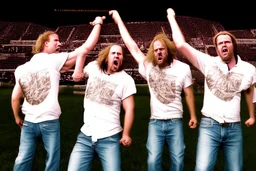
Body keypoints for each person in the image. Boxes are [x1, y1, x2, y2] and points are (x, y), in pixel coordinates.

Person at [11, 16, 106, 171]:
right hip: (49, 123)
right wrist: (98, 23)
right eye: (56, 40)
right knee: (52, 162)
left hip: (28, 123)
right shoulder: (53, 60)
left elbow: (15, 97)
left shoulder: (20, 69)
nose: (60, 43)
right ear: (45, 43)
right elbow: (87, 47)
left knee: (22, 160)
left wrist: (16, 117)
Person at [167, 8, 256, 171]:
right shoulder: (208, 63)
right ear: (216, 48)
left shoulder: (249, 69)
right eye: (220, 43)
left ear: (233, 45)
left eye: (226, 42)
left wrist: (252, 115)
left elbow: (251, 90)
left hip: (234, 127)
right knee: (202, 168)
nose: (223, 45)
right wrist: (171, 17)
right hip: (210, 125)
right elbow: (180, 44)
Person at [110, 10, 198, 171]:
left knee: (178, 162)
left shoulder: (183, 68)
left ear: (168, 50)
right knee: (152, 162)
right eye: (155, 49)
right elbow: (132, 46)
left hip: (175, 121)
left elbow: (188, 93)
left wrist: (192, 115)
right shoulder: (149, 67)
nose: (158, 51)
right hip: (155, 122)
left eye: (161, 49)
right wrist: (118, 20)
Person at [67, 43, 137, 171]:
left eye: (119, 54)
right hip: (85, 136)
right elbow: (78, 76)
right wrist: (78, 70)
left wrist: (126, 134)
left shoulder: (126, 80)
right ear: (106, 57)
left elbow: (129, 109)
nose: (116, 55)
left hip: (109, 138)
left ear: (122, 59)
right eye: (113, 53)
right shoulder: (94, 67)